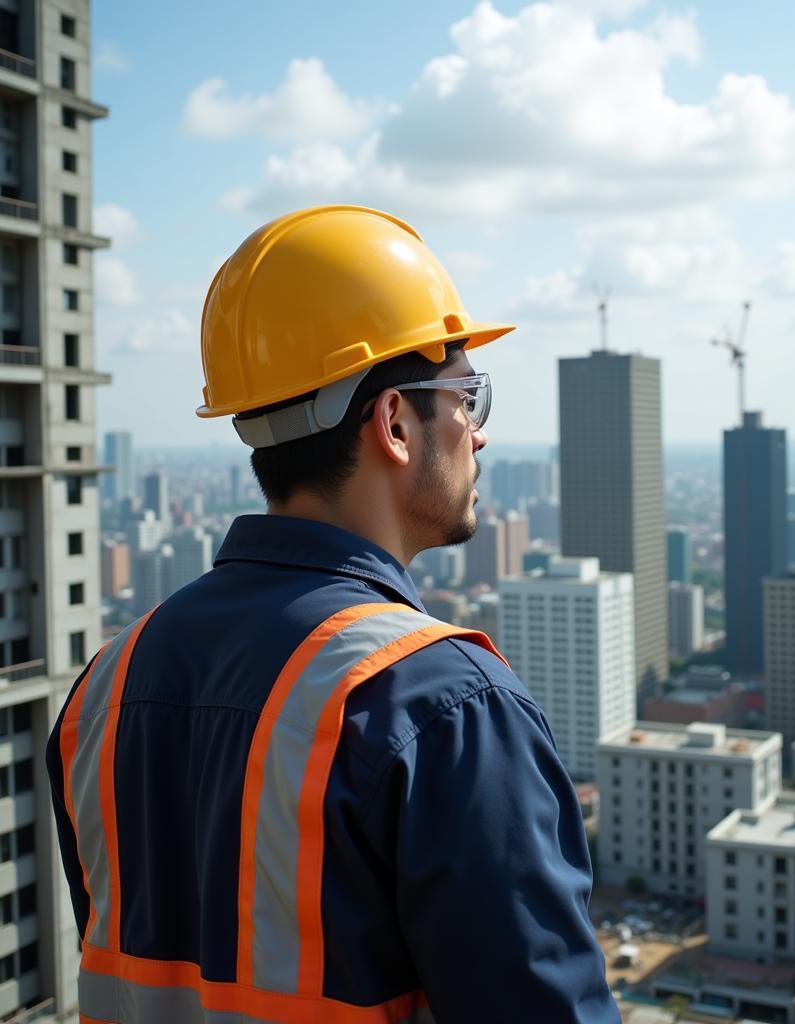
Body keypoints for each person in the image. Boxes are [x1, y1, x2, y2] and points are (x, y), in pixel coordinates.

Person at [47, 206, 621, 1023]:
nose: (478, 434)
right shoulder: (442, 705)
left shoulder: (105, 688)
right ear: (392, 421)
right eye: (466, 395)